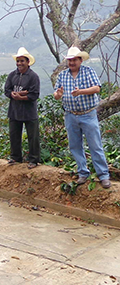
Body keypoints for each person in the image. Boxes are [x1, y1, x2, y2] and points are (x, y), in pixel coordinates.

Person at [54, 47, 111, 188]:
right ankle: (82, 173)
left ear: (80, 60)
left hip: (88, 114)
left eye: (74, 60)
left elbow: (97, 88)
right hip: (70, 115)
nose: (72, 63)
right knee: (74, 146)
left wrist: (81, 92)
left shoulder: (88, 71)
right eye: (70, 60)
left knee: (95, 145)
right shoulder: (62, 75)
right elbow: (56, 94)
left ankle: (103, 175)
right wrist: (59, 94)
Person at [4, 47, 41, 168]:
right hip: (14, 111)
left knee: (33, 136)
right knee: (14, 135)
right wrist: (13, 95)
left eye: (22, 61)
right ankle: (15, 158)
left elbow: (34, 94)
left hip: (29, 112)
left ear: (28, 62)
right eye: (18, 61)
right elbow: (7, 90)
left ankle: (34, 160)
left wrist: (22, 97)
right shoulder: (12, 75)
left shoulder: (33, 76)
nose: (19, 63)